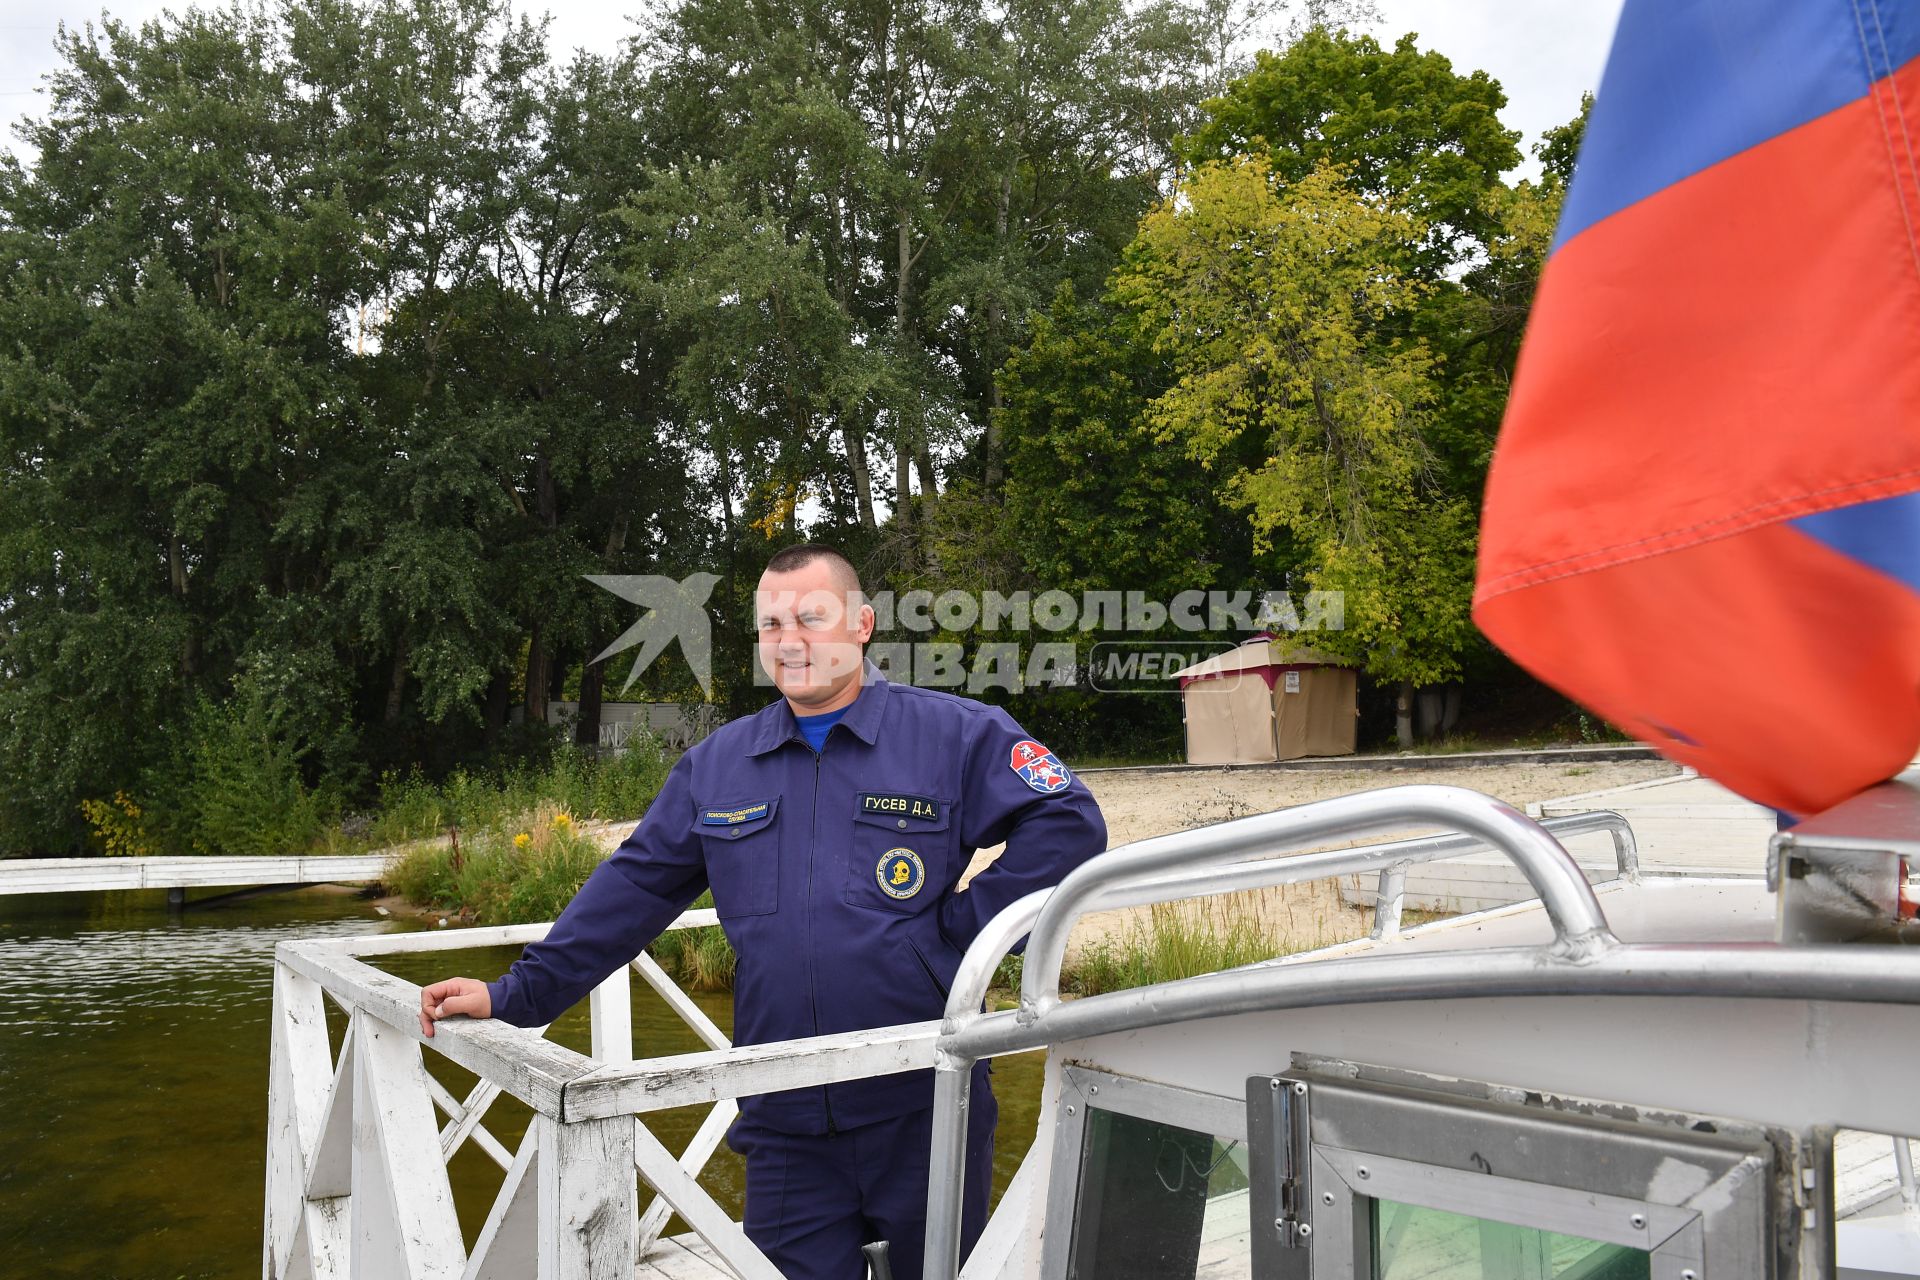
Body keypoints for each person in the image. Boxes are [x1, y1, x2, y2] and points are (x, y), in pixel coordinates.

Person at [419, 543, 1108, 1279]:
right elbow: (635, 889)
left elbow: (1069, 825)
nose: (790, 640)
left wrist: (965, 938)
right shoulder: (720, 765)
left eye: (812, 618)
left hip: (927, 1101)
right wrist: (515, 993)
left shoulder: (953, 734)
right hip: (783, 1120)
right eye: (771, 623)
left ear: (863, 624)